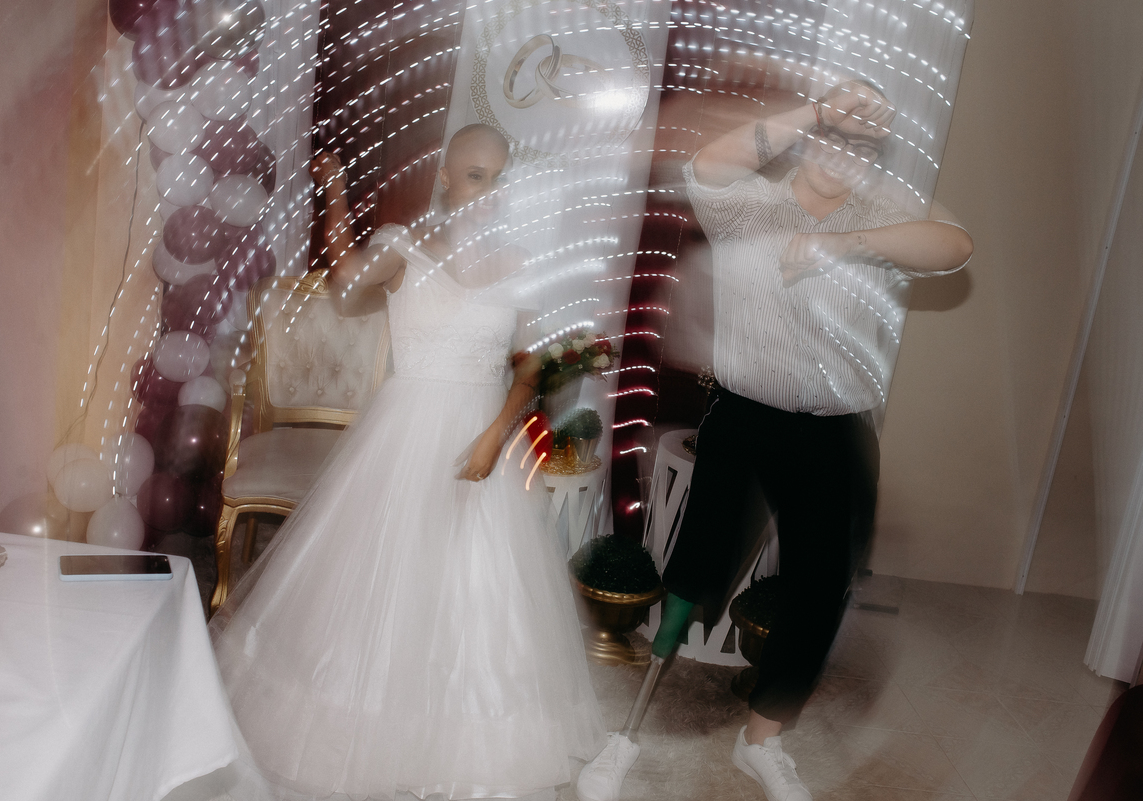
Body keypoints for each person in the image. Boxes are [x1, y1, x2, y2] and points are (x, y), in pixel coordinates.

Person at [576, 81, 973, 801]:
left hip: (837, 433)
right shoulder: (748, 205)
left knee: (821, 587)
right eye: (830, 140)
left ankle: (760, 740)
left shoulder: (879, 216)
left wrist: (843, 243)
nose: (842, 156)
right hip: (745, 418)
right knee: (696, 573)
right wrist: (821, 110)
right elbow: (708, 163)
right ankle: (626, 737)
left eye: (861, 149)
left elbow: (954, 246)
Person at [210, 123, 606, 801]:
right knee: (380, 585)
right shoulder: (403, 246)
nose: (488, 190)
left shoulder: (518, 259)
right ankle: (368, 731)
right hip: (404, 434)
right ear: (446, 178)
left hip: (480, 438)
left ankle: (462, 743)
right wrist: (336, 193)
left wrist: (495, 436)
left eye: (499, 178)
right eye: (476, 175)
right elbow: (346, 284)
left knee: (477, 593)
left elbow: (529, 367)